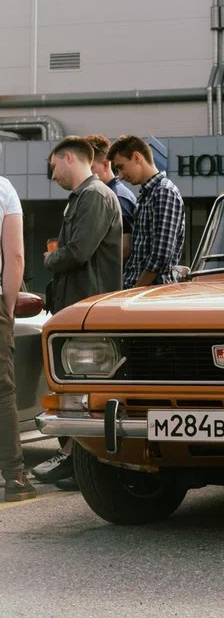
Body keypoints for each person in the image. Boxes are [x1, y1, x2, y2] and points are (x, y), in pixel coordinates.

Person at [32, 136, 123, 488]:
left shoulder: (95, 196)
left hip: (89, 308)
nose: (52, 175)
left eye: (53, 166)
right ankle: (73, 457)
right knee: (74, 390)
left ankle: (78, 458)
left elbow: (78, 252)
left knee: (84, 391)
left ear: (69, 158)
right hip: (80, 306)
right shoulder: (85, 198)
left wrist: (50, 259)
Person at [107, 135, 186, 288]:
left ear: (137, 157)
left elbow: (161, 256)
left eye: (121, 167)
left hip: (151, 294)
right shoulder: (148, 194)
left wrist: (136, 289)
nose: (121, 176)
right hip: (140, 292)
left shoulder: (163, 192)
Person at [0, 173, 36, 501]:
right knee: (2, 391)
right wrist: (8, 307)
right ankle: (14, 479)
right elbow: (15, 258)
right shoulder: (3, 189)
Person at [86, 134, 136, 261]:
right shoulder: (108, 194)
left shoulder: (117, 197)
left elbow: (125, 248)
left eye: (90, 168)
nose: (86, 173)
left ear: (106, 165)